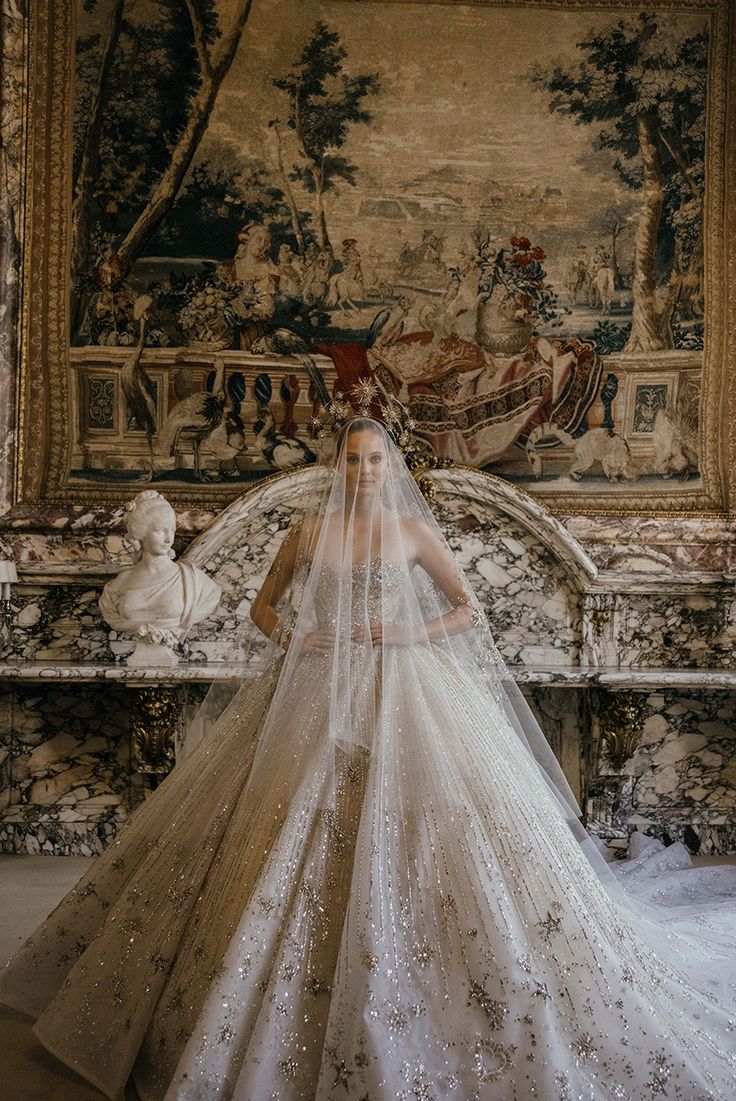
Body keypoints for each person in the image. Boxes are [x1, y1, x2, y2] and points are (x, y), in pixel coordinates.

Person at [1, 417, 735, 1100]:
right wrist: (294, 639)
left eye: (374, 458)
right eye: (352, 458)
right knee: (283, 818)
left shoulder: (412, 530)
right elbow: (263, 607)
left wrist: (402, 635)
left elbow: (466, 609)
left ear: (389, 467)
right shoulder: (309, 528)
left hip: (407, 685)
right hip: (315, 690)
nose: (362, 468)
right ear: (339, 464)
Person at [99, 489, 221, 646]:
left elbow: (211, 597)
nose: (169, 538)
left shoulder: (195, 581)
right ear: (141, 533)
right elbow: (113, 616)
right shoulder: (119, 584)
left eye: (171, 530)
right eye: (161, 531)